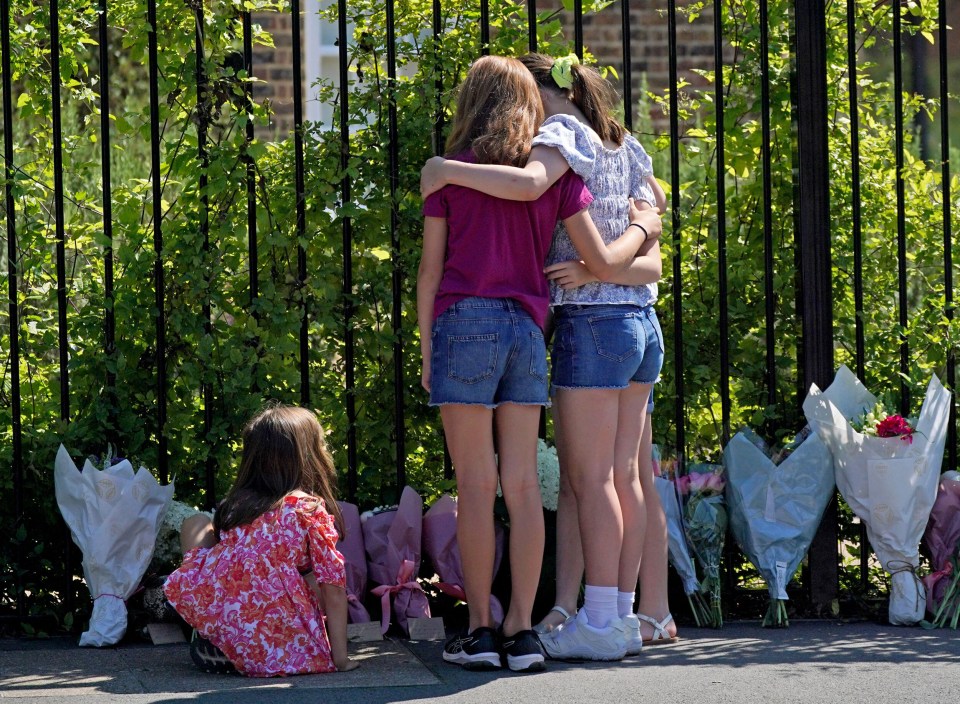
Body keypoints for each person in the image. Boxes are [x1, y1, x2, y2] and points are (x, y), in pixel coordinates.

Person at [419, 53, 671, 660]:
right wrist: (646, 226)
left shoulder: (464, 173)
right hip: (541, 329)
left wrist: (428, 348)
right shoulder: (580, 167)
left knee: (479, 486)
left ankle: (482, 628)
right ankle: (528, 630)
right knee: (531, 485)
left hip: (480, 323)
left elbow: (431, 271)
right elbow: (623, 254)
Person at [164, 405, 359, 676]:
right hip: (274, 642)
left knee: (196, 525)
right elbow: (334, 589)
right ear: (309, 455)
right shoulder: (307, 510)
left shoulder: (235, 507)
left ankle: (210, 632)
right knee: (320, 574)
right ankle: (280, 646)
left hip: (224, 635)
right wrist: (341, 659)